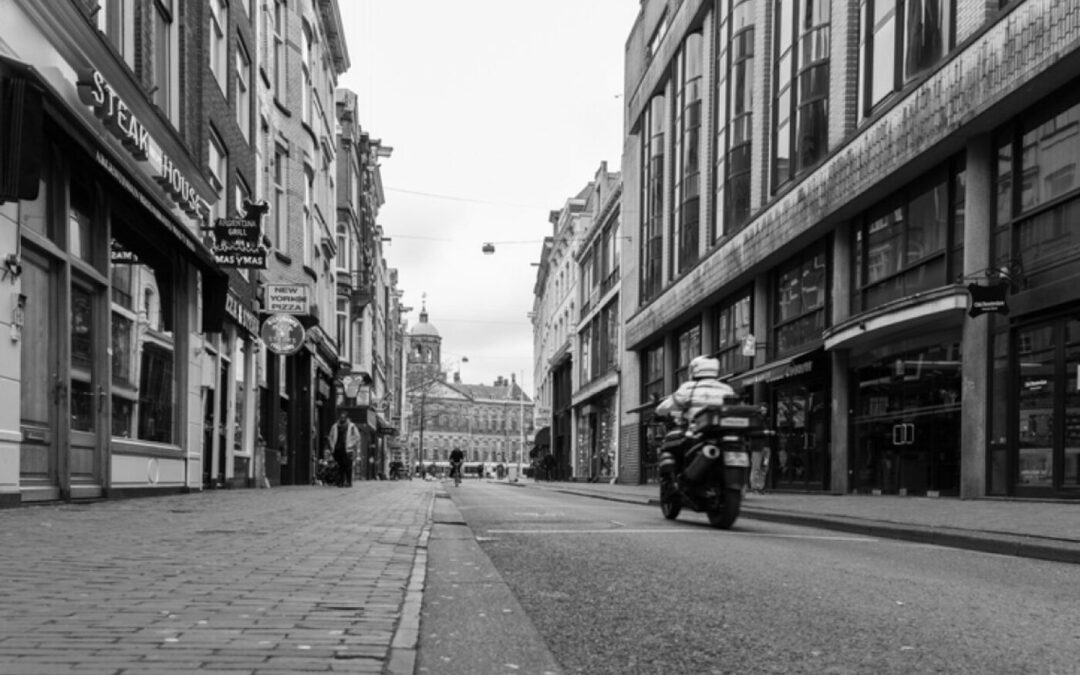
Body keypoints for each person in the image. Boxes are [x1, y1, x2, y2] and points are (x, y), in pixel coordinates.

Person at [654, 355, 736, 476]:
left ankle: (672, 483)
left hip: (696, 434)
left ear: (694, 370)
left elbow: (663, 408)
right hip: (723, 436)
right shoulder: (727, 389)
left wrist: (658, 412)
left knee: (669, 444)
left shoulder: (688, 388)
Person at [327, 411, 360, 487]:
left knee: (348, 466)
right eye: (341, 417)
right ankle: (341, 481)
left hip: (348, 449)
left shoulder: (352, 426)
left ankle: (348, 482)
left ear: (346, 418)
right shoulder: (335, 426)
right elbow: (330, 436)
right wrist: (332, 445)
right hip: (338, 448)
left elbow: (357, 437)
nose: (342, 418)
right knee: (340, 465)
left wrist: (352, 444)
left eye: (343, 417)